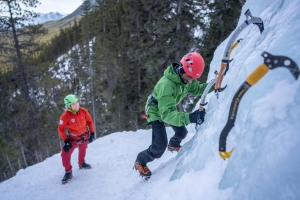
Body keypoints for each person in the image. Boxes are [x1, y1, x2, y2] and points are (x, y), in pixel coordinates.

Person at [134, 52, 214, 179]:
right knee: (159, 146)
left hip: (167, 106)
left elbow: (197, 89)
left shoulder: (187, 79)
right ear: (182, 69)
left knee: (182, 133)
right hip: (155, 110)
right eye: (189, 77)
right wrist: (190, 117)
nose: (191, 80)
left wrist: (213, 85)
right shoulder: (166, 84)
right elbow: (166, 115)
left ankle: (173, 144)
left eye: (193, 78)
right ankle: (140, 160)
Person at [58, 94, 95, 184]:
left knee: (83, 150)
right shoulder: (65, 116)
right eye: (73, 104)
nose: (76, 105)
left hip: (84, 136)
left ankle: (81, 163)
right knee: (64, 154)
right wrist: (66, 140)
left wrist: (92, 133)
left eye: (77, 102)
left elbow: (90, 122)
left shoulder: (83, 111)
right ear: (69, 106)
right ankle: (68, 172)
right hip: (72, 138)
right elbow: (61, 129)